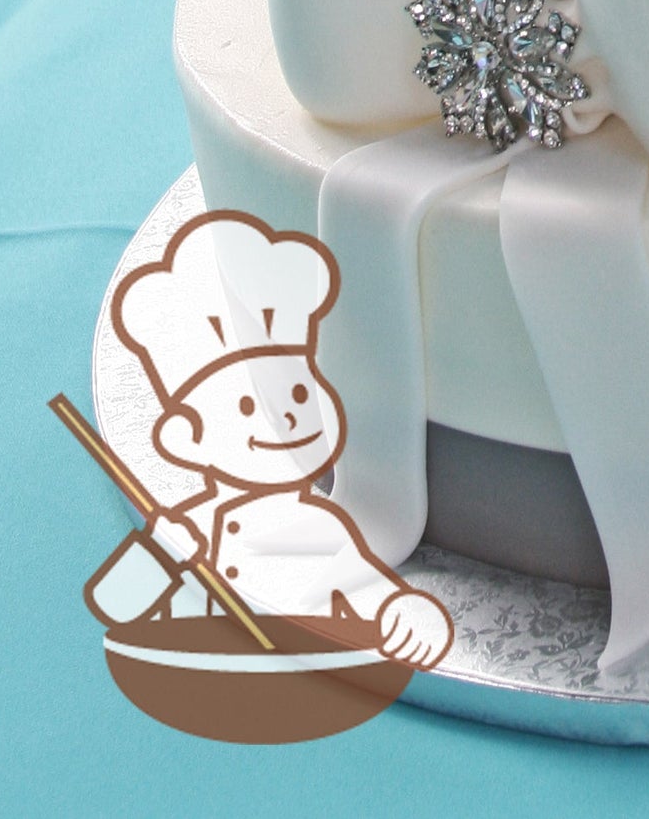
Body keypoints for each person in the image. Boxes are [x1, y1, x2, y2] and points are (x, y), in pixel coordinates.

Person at [90, 207, 451, 667]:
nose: (297, 408)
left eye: (303, 392)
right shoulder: (205, 519)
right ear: (183, 439)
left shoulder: (324, 525)